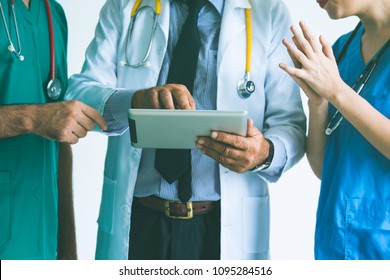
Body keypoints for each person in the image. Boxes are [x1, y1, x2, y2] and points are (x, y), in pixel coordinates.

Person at [67, 0, 306, 260]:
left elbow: (289, 124)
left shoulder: (268, 12)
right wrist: (134, 101)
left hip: (224, 229)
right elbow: (79, 95)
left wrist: (264, 154)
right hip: (140, 222)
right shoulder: (125, 6)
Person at [280, 0, 390, 259]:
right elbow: (323, 167)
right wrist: (317, 102)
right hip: (334, 244)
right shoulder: (341, 50)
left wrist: (338, 92)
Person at [0, 0, 106, 259]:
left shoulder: (52, 13)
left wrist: (68, 249)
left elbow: (60, 134)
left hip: (42, 238)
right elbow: (46, 118)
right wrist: (31, 118)